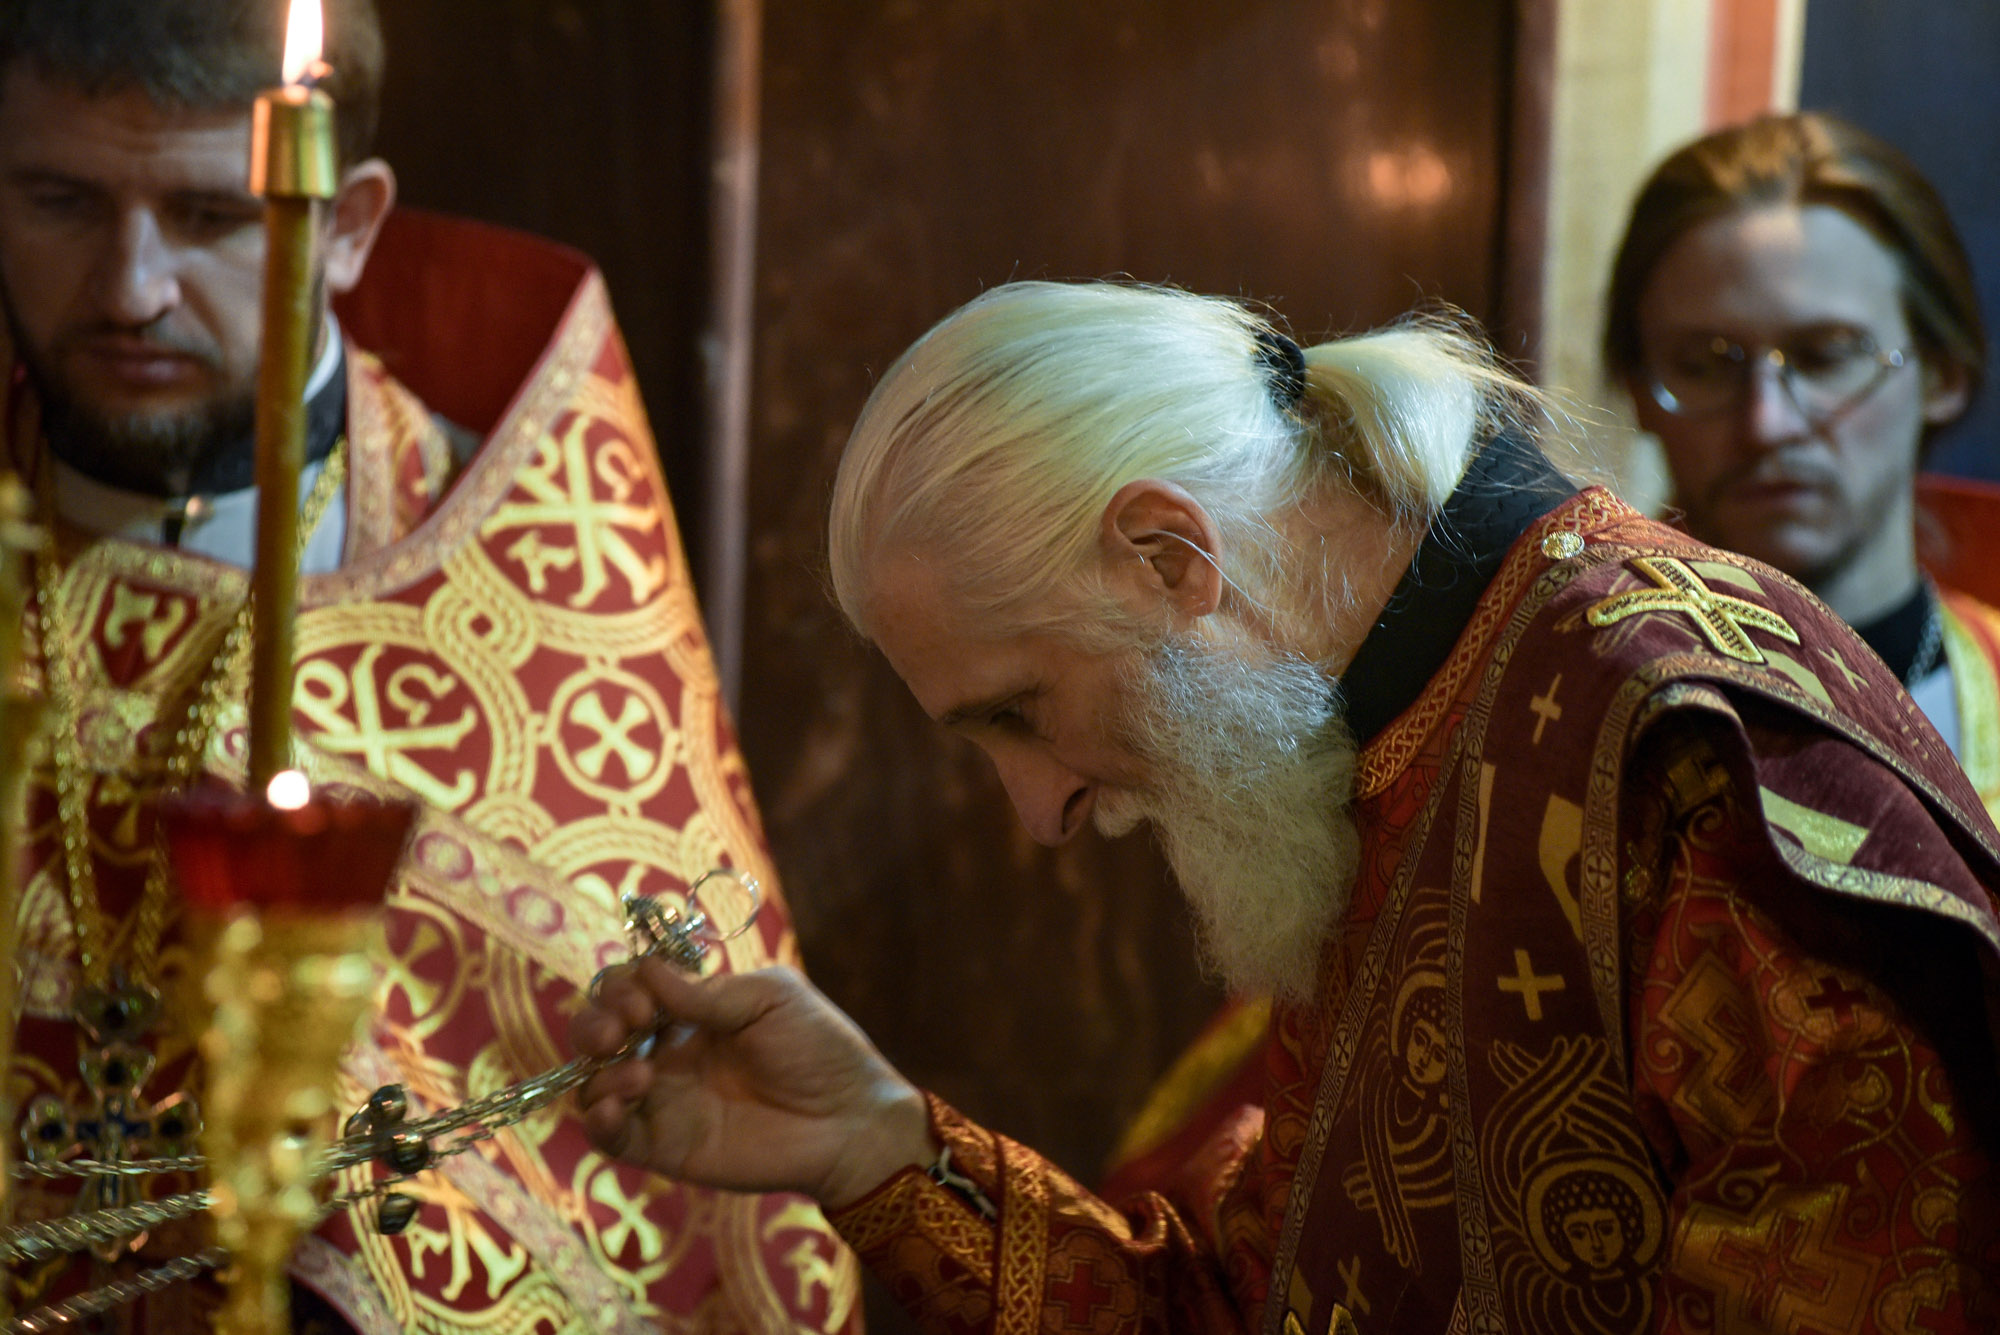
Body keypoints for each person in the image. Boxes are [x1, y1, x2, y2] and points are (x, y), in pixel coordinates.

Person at [574, 280, 2000, 1333]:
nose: (1041, 810)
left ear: (1168, 557)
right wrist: (875, 1139)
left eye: (1017, 710)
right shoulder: (1368, 746)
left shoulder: (1674, 728)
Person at [0, 2, 858, 1331]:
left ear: (345, 223)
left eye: (213, 216)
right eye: (59, 201)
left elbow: (685, 1222)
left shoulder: (534, 567)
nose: (129, 289)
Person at [1604, 111, 2000, 824]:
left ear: (1942, 373)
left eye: (1827, 355)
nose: (1768, 423)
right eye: (1704, 365)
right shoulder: (1566, 704)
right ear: (1639, 391)